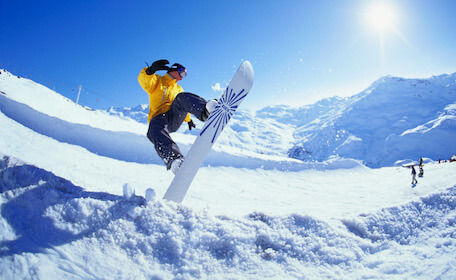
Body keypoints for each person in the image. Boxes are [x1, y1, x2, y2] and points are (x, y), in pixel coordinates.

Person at [138, 59, 217, 174]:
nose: (182, 77)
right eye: (182, 73)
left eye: (185, 75)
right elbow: (145, 82)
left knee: (181, 97)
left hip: (173, 119)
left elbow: (184, 104)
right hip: (159, 120)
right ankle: (175, 160)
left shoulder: (178, 89)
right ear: (173, 70)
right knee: (153, 129)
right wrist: (150, 71)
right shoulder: (157, 81)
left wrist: (188, 120)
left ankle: (205, 111)